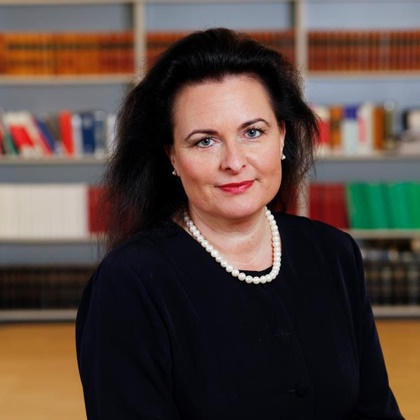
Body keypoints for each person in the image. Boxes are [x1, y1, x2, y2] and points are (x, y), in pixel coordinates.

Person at [76, 27, 404, 419]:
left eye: (252, 132)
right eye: (205, 141)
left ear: (281, 136)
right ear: (173, 157)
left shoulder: (334, 253)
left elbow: (376, 409)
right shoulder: (129, 283)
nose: (234, 162)